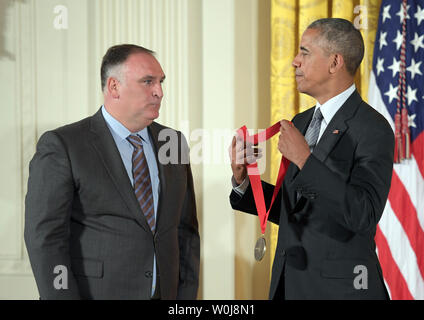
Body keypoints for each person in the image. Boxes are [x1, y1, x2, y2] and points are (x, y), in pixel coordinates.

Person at [229, 18, 394, 300]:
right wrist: (244, 181)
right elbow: (298, 209)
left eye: (304, 52)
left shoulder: (372, 128)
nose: (295, 61)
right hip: (288, 285)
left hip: (342, 291)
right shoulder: (303, 121)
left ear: (334, 62)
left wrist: (306, 159)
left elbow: (363, 214)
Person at [24, 44, 200, 300]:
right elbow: (46, 239)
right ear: (114, 87)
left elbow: (186, 232)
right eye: (148, 81)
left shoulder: (173, 142)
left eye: (161, 81)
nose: (159, 91)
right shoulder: (63, 145)